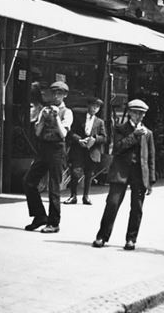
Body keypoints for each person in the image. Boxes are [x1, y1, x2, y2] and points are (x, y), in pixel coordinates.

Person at [92, 99, 155, 251]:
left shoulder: (148, 133)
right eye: (135, 112)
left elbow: (151, 157)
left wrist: (151, 180)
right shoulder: (120, 129)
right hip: (121, 171)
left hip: (139, 174)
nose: (138, 116)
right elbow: (117, 148)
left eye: (141, 113)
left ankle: (131, 239)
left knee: (137, 208)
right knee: (112, 204)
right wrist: (134, 135)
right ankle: (102, 236)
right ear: (130, 113)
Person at [23, 80, 73, 233]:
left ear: (64, 95)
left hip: (57, 149)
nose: (56, 96)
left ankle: (54, 222)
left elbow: (63, 134)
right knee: (29, 181)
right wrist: (43, 119)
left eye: (60, 93)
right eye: (54, 93)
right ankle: (39, 216)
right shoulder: (44, 109)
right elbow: (37, 133)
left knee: (54, 186)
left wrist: (56, 117)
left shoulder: (67, 112)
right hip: (43, 148)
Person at [65, 96, 107, 205]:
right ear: (88, 106)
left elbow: (105, 137)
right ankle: (73, 196)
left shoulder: (100, 122)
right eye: (93, 106)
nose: (94, 109)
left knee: (89, 174)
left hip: (92, 151)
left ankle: (86, 197)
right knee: (75, 172)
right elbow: (70, 133)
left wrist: (95, 139)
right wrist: (79, 140)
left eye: (97, 107)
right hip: (78, 149)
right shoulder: (79, 118)